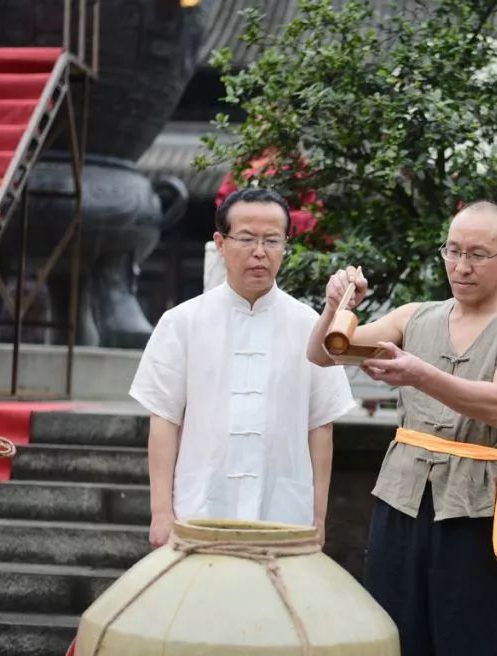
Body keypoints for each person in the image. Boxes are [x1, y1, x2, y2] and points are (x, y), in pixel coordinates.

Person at [307, 200, 497, 656]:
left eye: (478, 255)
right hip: (400, 500)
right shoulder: (414, 316)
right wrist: (337, 304)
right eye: (453, 251)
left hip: (476, 510)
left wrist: (421, 375)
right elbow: (326, 352)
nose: (462, 266)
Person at [130, 189, 355, 548]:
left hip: (283, 511)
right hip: (201, 504)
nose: (259, 253)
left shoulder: (308, 325)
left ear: (286, 245)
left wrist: (317, 516)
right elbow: (164, 419)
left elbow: (321, 425)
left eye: (272, 241)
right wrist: (160, 513)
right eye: (247, 239)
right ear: (220, 243)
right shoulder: (182, 322)